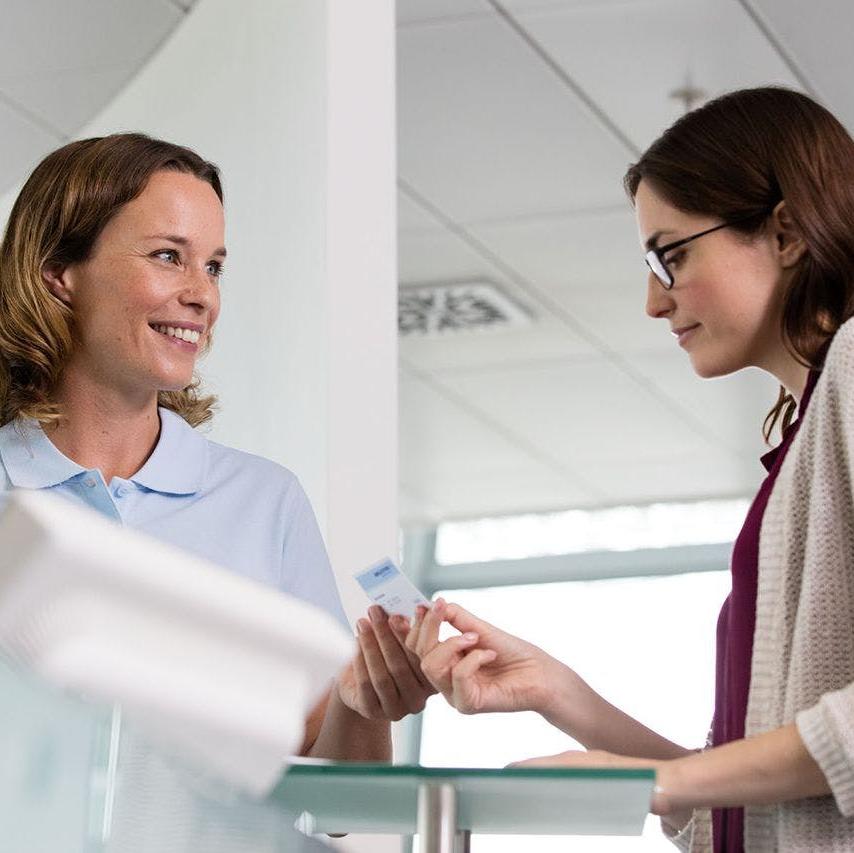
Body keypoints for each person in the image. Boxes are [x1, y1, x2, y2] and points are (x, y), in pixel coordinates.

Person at [403, 87, 854, 852]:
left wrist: (654, 781)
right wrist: (558, 693)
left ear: (784, 231)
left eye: (671, 256)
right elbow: (749, 805)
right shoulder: (806, 429)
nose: (653, 300)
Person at [0, 133, 433, 762]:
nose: (203, 294)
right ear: (60, 275)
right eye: (168, 256)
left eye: (214, 266)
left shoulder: (263, 501)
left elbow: (343, 802)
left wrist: (365, 701)